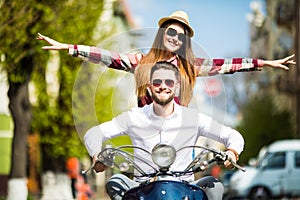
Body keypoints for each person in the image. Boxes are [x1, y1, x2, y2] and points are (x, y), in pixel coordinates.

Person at [37, 10, 295, 107]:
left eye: (180, 35)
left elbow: (228, 66)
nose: (175, 38)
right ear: (162, 34)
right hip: (145, 134)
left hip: (177, 135)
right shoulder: (142, 61)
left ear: (185, 42)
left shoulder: (191, 67)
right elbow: (107, 56)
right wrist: (69, 48)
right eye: (170, 32)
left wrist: (265, 63)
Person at [84, 61, 245, 200]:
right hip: (143, 187)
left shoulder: (193, 118)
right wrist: (97, 155)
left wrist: (232, 152)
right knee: (115, 181)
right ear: (149, 87)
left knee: (214, 186)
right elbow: (93, 133)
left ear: (177, 86)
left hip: (184, 186)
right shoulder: (134, 117)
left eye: (169, 82)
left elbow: (233, 135)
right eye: (157, 82)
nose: (163, 86)